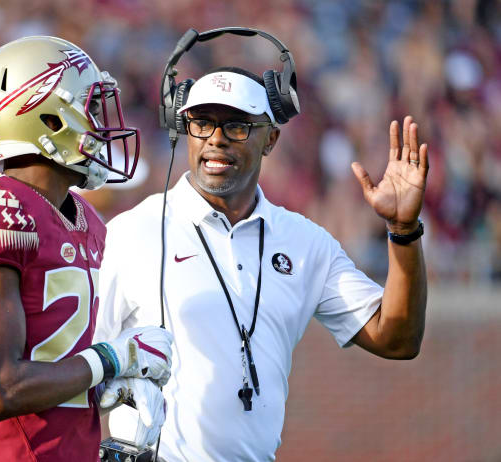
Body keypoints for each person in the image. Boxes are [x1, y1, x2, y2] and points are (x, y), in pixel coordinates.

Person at [94, 66, 428, 461]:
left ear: (270, 139)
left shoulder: (306, 243)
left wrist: (403, 230)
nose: (215, 140)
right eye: (201, 123)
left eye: (236, 126)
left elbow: (397, 339)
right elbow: (80, 365)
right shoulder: (132, 232)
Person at [0, 36, 173, 462]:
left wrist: (111, 383)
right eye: (91, 108)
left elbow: (66, 358)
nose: (101, 124)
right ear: (50, 119)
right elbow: (0, 390)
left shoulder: (88, 221)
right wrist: (111, 359)